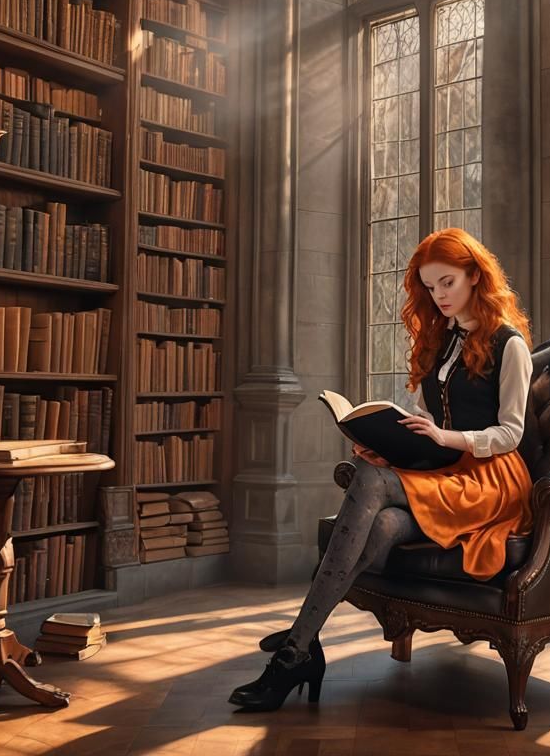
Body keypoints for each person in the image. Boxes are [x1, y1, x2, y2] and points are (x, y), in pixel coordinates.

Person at [227, 227, 534, 712]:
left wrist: (446, 439)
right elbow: (430, 419)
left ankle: (295, 648)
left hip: (490, 481)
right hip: (444, 473)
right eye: (431, 287)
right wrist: (390, 444)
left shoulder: (509, 344)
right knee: (385, 517)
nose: (440, 296)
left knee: (370, 483)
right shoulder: (445, 340)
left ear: (476, 275)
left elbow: (510, 433)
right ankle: (302, 646)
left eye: (448, 283)